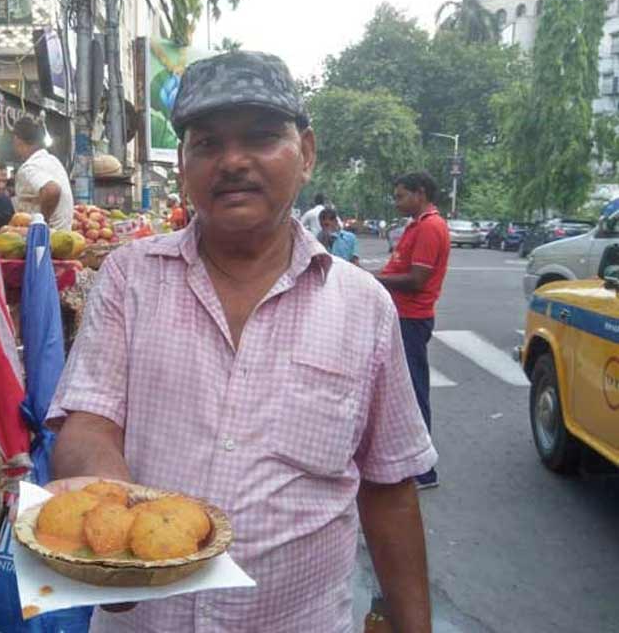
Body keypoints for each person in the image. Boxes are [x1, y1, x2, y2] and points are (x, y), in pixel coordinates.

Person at [45, 51, 436, 633]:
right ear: (183, 165)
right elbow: (90, 422)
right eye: (207, 143)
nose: (232, 161)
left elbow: (389, 488)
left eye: (259, 137)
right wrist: (116, 540)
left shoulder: (363, 307)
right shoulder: (130, 278)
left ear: (305, 153)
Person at [375, 172, 450, 490]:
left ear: (420, 194)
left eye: (401, 195)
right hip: (401, 316)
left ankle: (424, 471)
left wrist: (372, 278)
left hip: (412, 319)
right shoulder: (417, 225)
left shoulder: (431, 227)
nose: (397, 202)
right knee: (399, 390)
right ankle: (406, 460)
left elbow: (417, 279)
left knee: (414, 392)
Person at [12, 115, 73, 231]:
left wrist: (41, 223)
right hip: (63, 237)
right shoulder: (54, 162)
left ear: (18, 141)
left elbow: (52, 190)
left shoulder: (29, 168)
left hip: (46, 241)